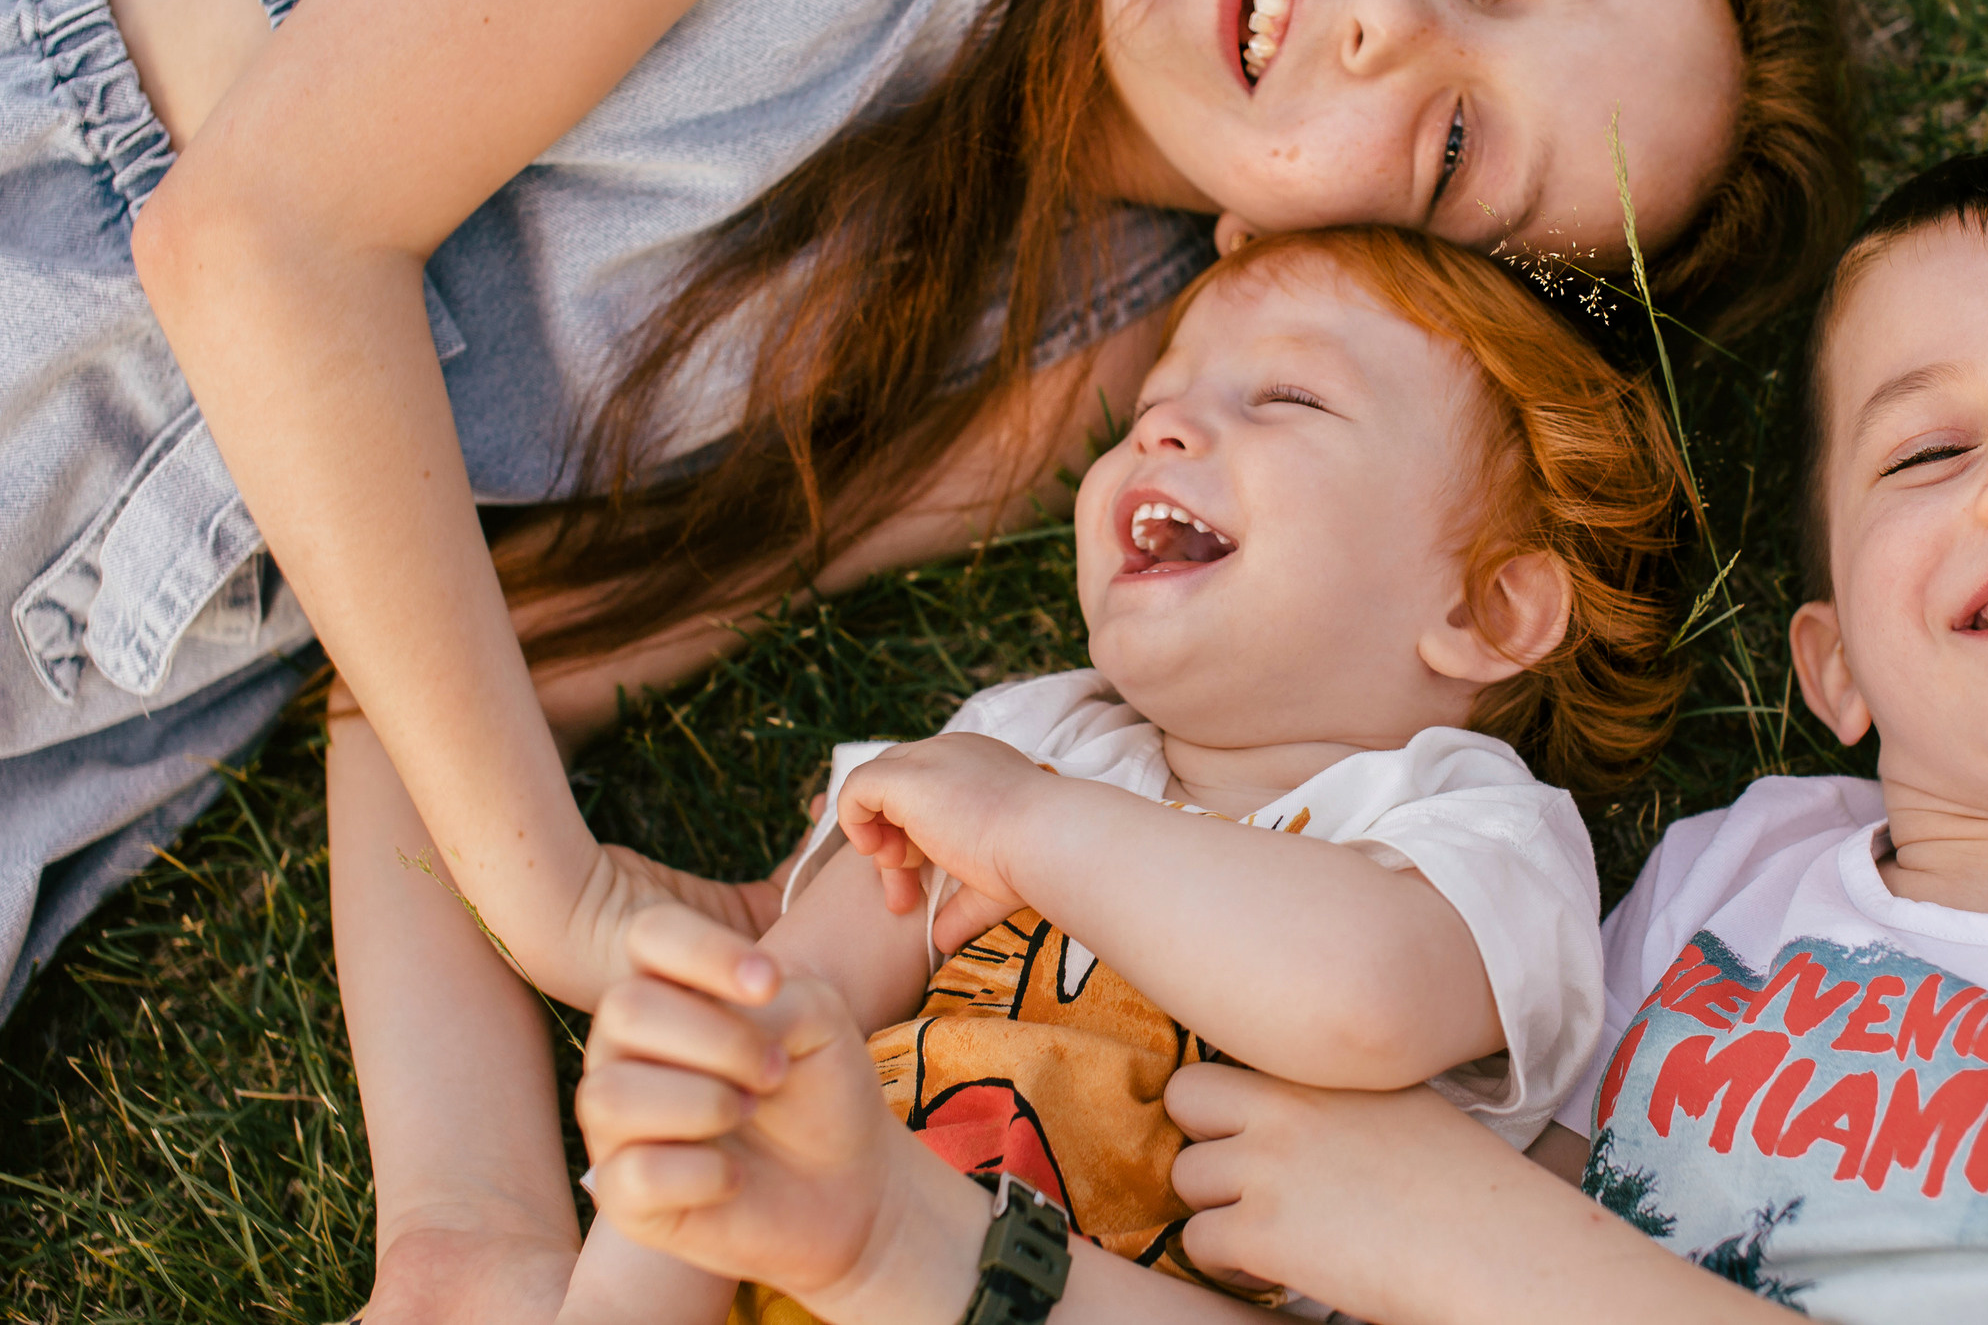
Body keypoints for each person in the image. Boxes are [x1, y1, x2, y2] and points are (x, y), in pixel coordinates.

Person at [0, 0, 1856, 1309]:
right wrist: (561, 901)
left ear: (1348, 262)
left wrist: (471, 1234)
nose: (1395, 18)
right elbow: (261, 236)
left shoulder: (1090, 365)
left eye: (1450, 148)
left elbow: (487, 646)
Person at [577, 153, 1988, 1325]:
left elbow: (1444, 1235)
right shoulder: (1724, 879)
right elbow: (1348, 1227)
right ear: (1830, 662)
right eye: (1926, 451)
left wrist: (1501, 1260)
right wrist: (910, 1249)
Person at [558, 222, 1694, 1323]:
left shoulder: (1477, 833)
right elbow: (765, 1031)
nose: (1162, 427)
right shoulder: (1026, 738)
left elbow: (1361, 1001)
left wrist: (1027, 827)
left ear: (1487, 608)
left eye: (1287, 398)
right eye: (1156, 399)